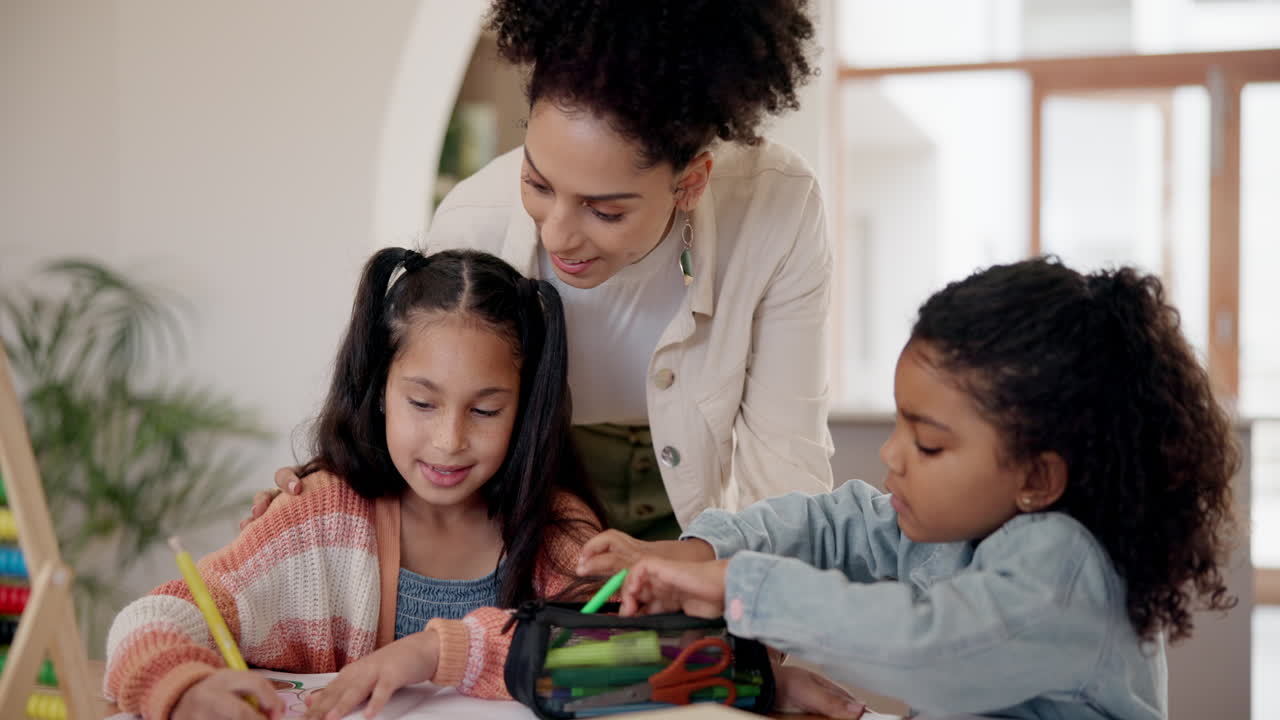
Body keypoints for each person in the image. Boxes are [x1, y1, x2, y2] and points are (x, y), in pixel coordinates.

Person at [248, 0, 835, 541]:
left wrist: (776, 613)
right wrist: (325, 493)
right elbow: (425, 423)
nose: (556, 234)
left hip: (702, 530)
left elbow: (786, 464)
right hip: (535, 523)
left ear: (692, 182)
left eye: (605, 210)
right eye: (537, 183)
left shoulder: (774, 210)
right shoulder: (474, 224)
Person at [579, 258, 1240, 719]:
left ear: (1036, 478)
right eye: (900, 425)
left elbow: (930, 646)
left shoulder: (1062, 570)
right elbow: (833, 525)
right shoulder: (948, 526)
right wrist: (698, 553)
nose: (893, 454)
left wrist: (739, 585)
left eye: (928, 444)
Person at [104, 248, 606, 720]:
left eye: (485, 410)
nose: (450, 440)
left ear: (525, 412)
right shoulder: (319, 517)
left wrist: (436, 652)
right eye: (423, 403)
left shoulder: (555, 530)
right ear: (382, 390)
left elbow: (617, 653)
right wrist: (184, 687)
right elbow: (154, 616)